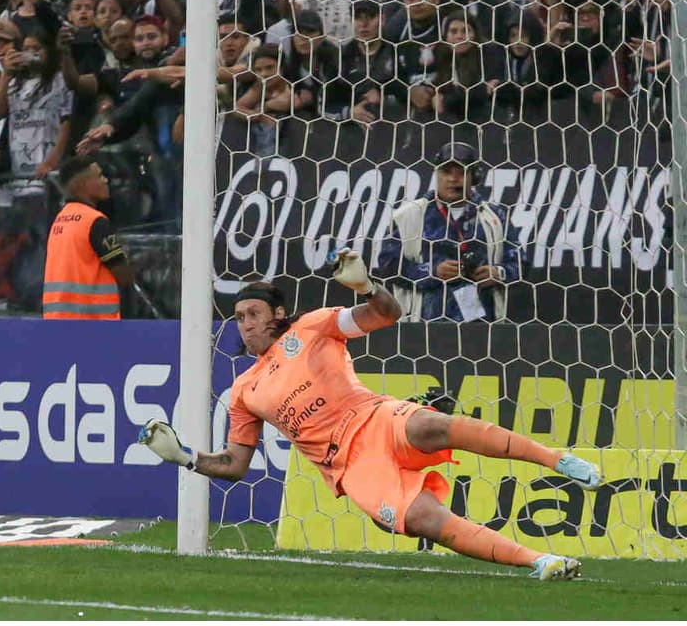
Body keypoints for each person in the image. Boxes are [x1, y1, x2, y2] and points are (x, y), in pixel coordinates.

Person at [139, 249, 600, 581]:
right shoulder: (244, 391)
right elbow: (236, 466)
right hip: (351, 466)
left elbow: (386, 315)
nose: (246, 324)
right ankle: (539, 561)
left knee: (431, 424)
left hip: (375, 416)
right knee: (425, 522)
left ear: (277, 313)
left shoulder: (313, 326)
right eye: (239, 317)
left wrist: (365, 286)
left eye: (253, 313)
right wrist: (184, 456)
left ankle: (556, 460)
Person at [374, 142, 522, 322]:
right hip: (422, 325)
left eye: (461, 172)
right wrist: (433, 271)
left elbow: (520, 262)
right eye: (446, 172)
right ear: (437, 174)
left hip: (482, 326)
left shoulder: (494, 217)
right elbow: (388, 265)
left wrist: (499, 273)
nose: (453, 179)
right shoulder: (409, 215)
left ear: (474, 176)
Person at [42, 155, 133, 319]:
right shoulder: (95, 222)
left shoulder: (59, 220)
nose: (105, 180)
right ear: (83, 185)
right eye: (99, 176)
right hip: (94, 326)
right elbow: (123, 275)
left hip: (57, 322)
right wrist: (141, 262)